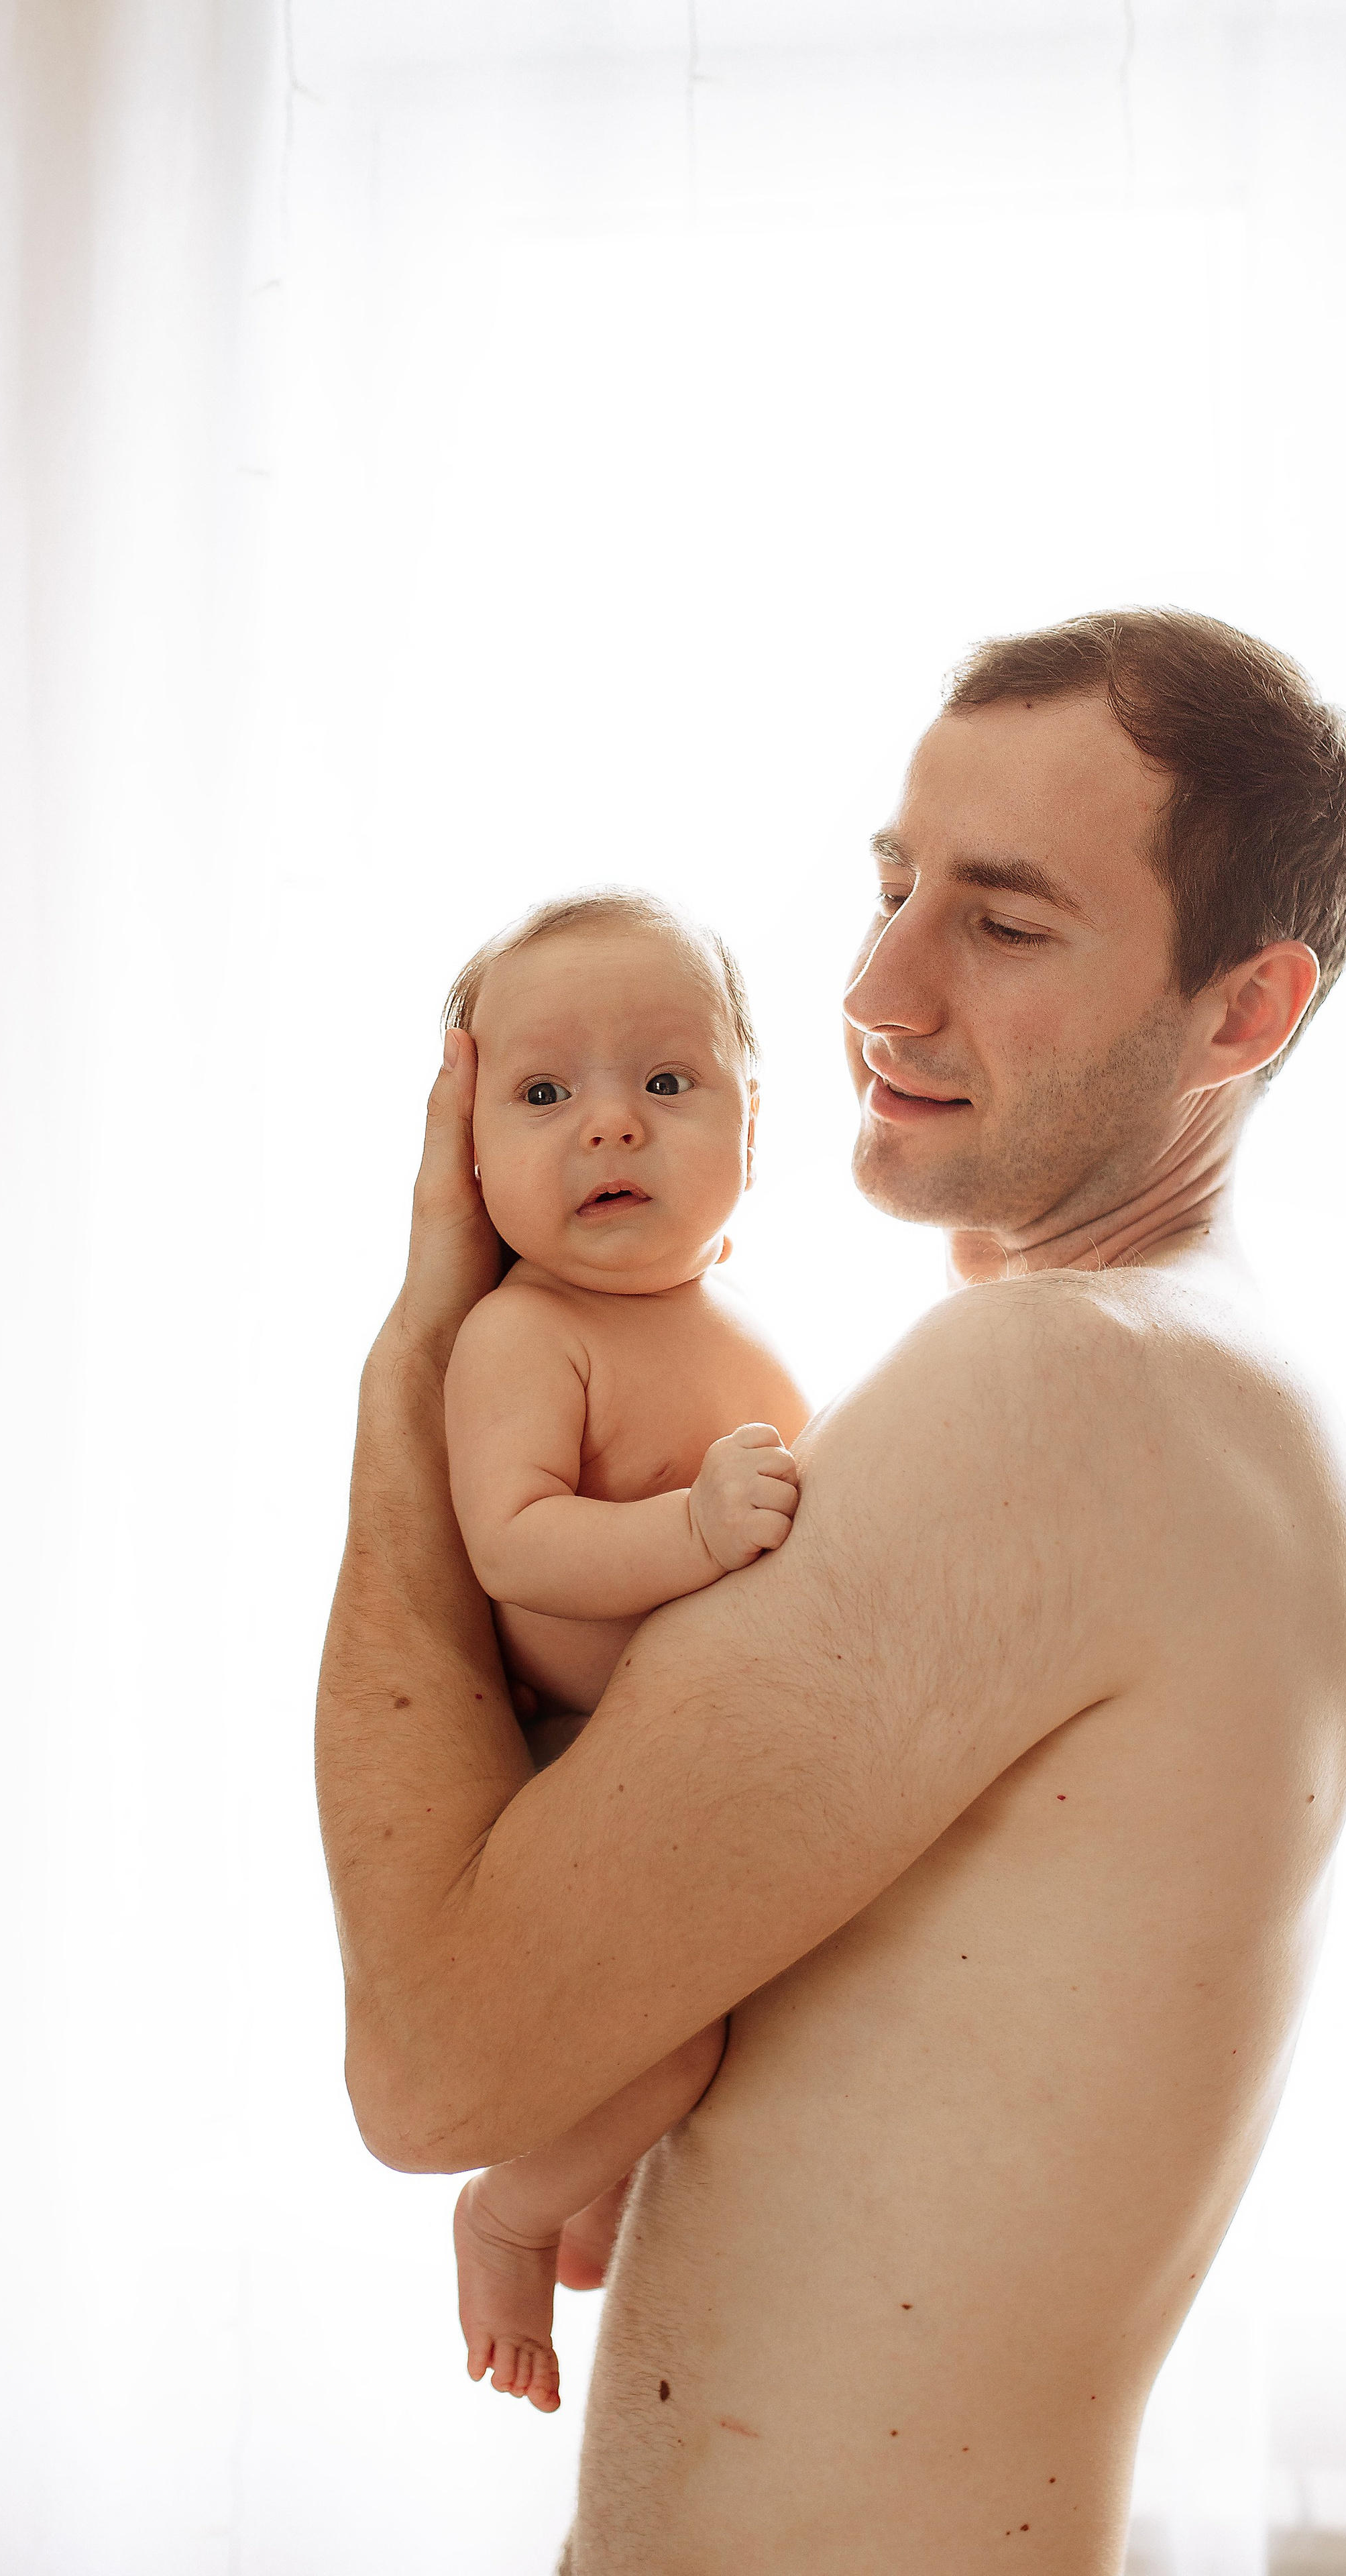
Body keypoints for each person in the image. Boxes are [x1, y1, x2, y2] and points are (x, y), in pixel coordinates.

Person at [316, 608, 1346, 2575]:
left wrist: (414, 1371)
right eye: (892, 886)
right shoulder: (1215, 1384)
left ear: (1244, 1013)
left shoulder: (1068, 1389)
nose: (877, 987)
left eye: (1004, 921)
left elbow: (430, 2064)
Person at [439, 890, 809, 2412]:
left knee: (726, 2053)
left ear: (748, 1124)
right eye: (543, 1095)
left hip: (692, 1774)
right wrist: (695, 1536)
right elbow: (517, 1543)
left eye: (667, 1083)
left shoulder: (741, 1339)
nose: (609, 1129)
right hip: (568, 1769)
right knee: (670, 2052)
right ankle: (512, 2209)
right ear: (467, 1160)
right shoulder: (527, 1336)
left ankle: (593, 2198)